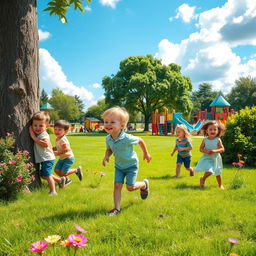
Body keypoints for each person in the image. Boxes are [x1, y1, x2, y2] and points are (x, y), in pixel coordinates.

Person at [102, 107, 152, 216]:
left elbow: (140, 140)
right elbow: (109, 149)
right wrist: (106, 156)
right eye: (106, 122)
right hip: (119, 166)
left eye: (112, 122)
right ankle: (117, 209)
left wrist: (146, 153)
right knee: (117, 186)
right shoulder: (108, 138)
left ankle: (144, 184)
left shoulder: (127, 138)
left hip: (131, 166)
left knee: (130, 187)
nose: (108, 124)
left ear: (122, 125)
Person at [29, 111, 58, 195]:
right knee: (43, 174)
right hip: (44, 159)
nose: (37, 128)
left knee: (47, 174)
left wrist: (33, 137)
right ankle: (60, 180)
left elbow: (45, 144)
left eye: (41, 125)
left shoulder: (43, 135)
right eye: (35, 125)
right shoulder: (40, 134)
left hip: (47, 158)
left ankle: (53, 191)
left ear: (47, 126)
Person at [195, 120, 225, 189]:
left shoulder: (218, 140)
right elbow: (201, 149)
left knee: (218, 173)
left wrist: (214, 151)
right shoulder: (205, 140)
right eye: (210, 129)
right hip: (207, 158)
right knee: (210, 171)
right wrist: (206, 151)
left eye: (215, 129)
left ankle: (220, 185)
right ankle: (203, 178)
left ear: (218, 131)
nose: (213, 131)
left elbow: (222, 149)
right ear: (206, 131)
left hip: (216, 158)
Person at [53, 120, 83, 186]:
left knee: (64, 173)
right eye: (55, 129)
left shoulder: (63, 139)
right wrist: (52, 148)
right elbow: (58, 147)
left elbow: (66, 149)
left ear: (65, 132)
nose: (57, 131)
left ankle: (76, 170)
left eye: (59, 130)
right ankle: (67, 180)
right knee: (56, 170)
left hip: (68, 158)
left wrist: (57, 153)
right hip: (62, 158)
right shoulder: (57, 138)